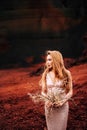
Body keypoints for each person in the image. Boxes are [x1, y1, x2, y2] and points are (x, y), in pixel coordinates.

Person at [40, 50, 73, 130]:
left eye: (50, 60)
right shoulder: (45, 74)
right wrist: (47, 100)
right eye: (47, 60)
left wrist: (62, 101)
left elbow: (70, 91)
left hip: (62, 106)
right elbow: (43, 92)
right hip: (49, 107)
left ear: (56, 60)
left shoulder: (66, 73)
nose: (47, 62)